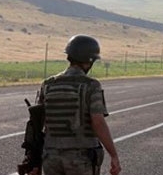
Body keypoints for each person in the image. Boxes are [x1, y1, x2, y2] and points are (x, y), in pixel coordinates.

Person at [30, 34, 121, 175]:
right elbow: (98, 122)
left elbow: (36, 125)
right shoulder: (91, 85)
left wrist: (33, 162)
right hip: (80, 158)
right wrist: (114, 155)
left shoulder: (47, 84)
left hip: (51, 157)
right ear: (89, 61)